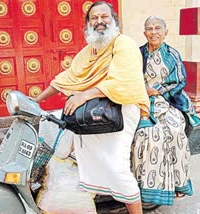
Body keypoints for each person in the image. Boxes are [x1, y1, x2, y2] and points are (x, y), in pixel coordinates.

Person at [33, 2, 150, 213]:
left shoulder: (124, 44)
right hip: (93, 113)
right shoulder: (89, 51)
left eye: (104, 16)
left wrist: (85, 95)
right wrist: (36, 100)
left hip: (121, 111)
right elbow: (67, 78)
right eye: (94, 18)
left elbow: (122, 80)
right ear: (88, 24)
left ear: (114, 19)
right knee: (77, 159)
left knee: (117, 167)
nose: (99, 21)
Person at [131, 16, 200, 206]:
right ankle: (141, 187)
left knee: (175, 132)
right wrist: (143, 92)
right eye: (149, 29)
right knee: (147, 134)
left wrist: (158, 91)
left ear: (165, 32)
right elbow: (129, 78)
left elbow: (180, 80)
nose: (154, 32)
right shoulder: (138, 54)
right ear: (144, 32)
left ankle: (178, 184)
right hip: (142, 101)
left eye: (158, 28)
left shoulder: (172, 54)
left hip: (170, 101)